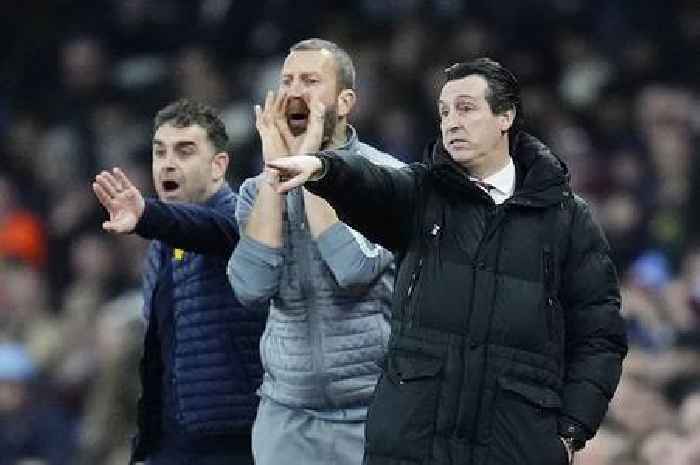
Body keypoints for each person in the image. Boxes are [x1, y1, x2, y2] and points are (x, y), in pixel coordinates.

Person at [264, 57, 629, 465]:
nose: (451, 121)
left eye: (466, 108)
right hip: (411, 448)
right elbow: (372, 183)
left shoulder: (568, 220)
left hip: (514, 449)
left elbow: (600, 337)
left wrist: (570, 433)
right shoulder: (422, 192)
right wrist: (323, 168)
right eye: (443, 111)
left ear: (505, 117)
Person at [227, 39, 403, 465]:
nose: (294, 91)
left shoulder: (387, 178)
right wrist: (276, 176)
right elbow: (251, 287)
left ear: (345, 102)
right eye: (286, 81)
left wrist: (313, 168)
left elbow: (354, 268)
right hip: (287, 416)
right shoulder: (255, 192)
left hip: (373, 411)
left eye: (310, 80)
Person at [92, 98, 265, 465]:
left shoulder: (239, 220)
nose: (168, 163)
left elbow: (204, 230)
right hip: (176, 439)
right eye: (160, 152)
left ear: (218, 166)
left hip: (235, 439)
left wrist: (147, 213)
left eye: (184, 151)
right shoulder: (160, 243)